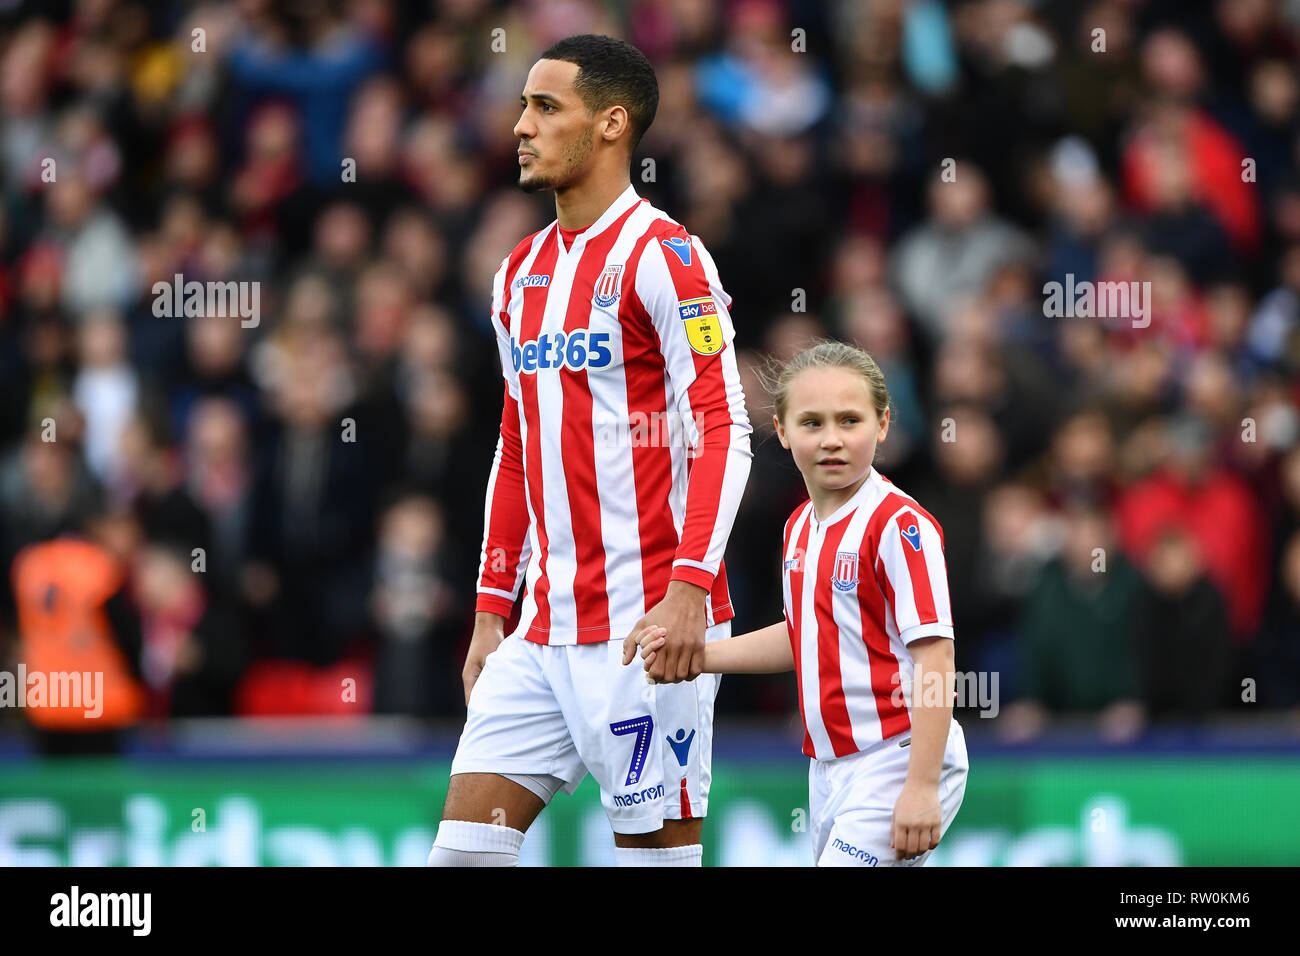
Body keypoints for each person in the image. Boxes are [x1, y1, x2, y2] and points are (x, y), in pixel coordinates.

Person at [428, 35, 752, 868]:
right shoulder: (519, 273)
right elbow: (517, 443)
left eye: (544, 108)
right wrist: (490, 610)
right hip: (538, 631)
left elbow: (724, 428)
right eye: (521, 107)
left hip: (644, 629)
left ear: (611, 124)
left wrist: (690, 591)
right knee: (462, 858)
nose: (519, 128)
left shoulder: (666, 259)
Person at [628, 341, 967, 866]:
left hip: (897, 755)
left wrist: (921, 785)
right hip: (828, 769)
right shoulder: (798, 528)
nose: (831, 439)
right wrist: (696, 656)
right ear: (782, 431)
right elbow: (805, 635)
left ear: (882, 425)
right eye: (812, 423)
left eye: (849, 420)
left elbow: (936, 659)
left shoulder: (899, 526)